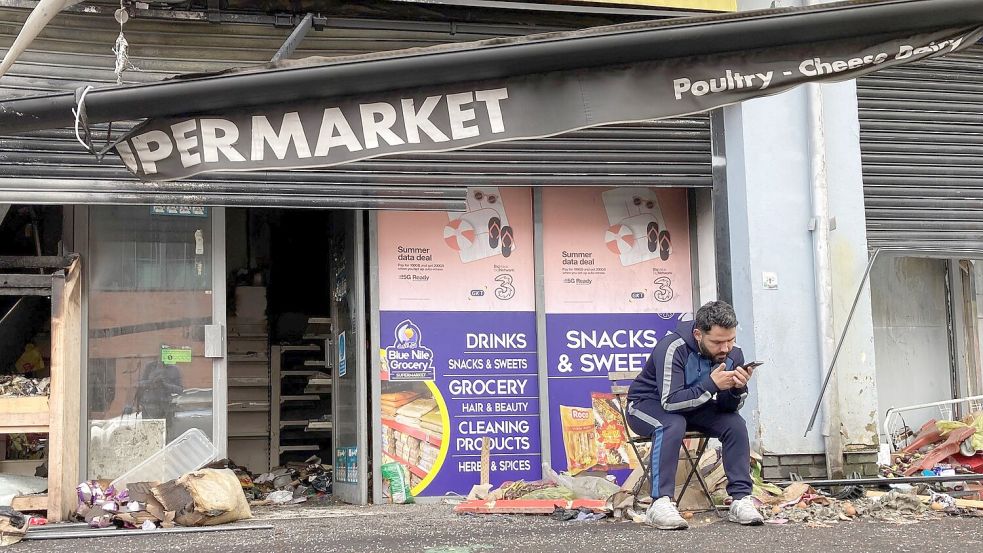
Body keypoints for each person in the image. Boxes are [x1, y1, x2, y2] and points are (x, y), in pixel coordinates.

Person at [626, 300, 763, 529]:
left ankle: (741, 499)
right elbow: (670, 402)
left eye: (730, 340)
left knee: (735, 424)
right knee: (672, 423)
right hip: (646, 406)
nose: (725, 348)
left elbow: (728, 407)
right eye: (717, 342)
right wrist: (711, 385)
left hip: (692, 406)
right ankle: (660, 503)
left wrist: (738, 388)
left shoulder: (733, 354)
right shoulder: (672, 348)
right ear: (698, 334)